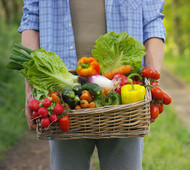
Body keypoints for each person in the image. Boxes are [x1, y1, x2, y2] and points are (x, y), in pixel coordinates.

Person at [18, 0, 166, 170]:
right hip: (63, 97)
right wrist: (30, 89)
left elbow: (153, 22)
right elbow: (31, 20)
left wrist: (152, 84)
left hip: (124, 95)